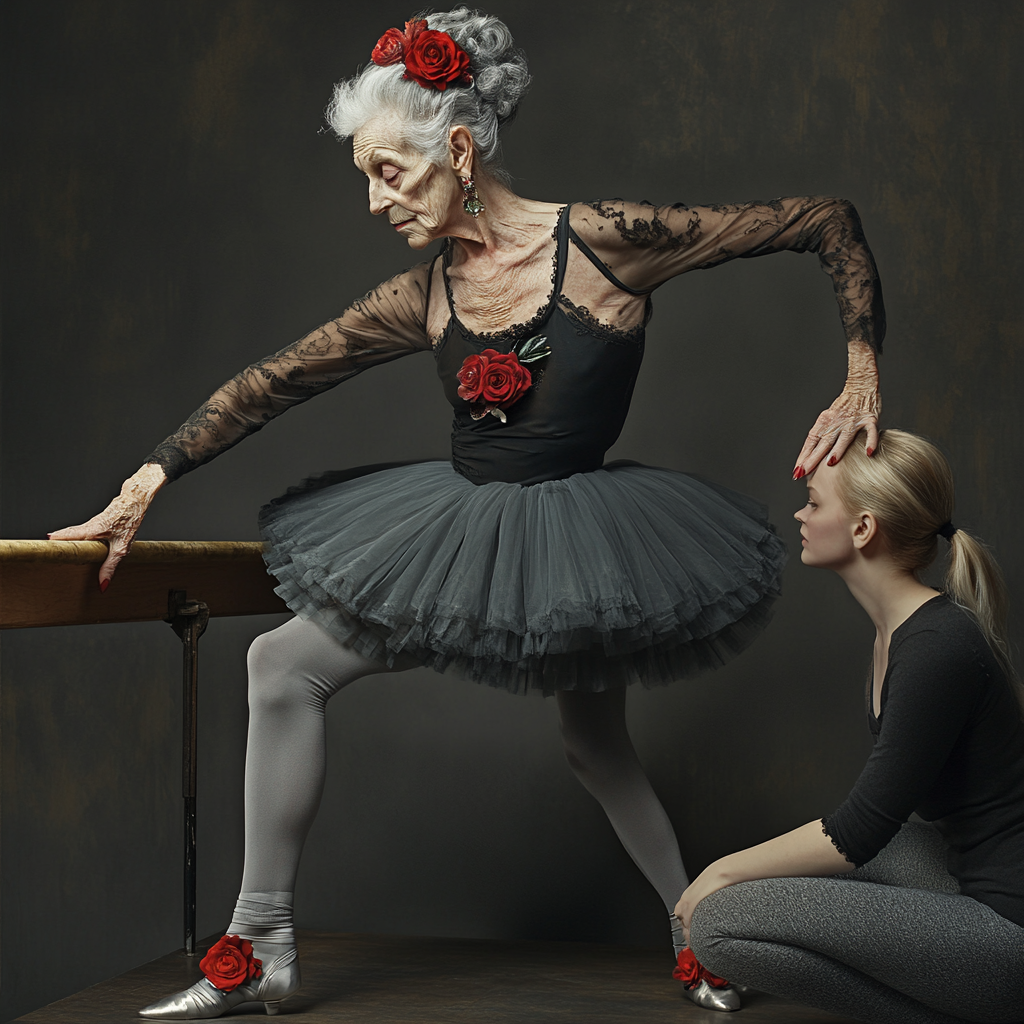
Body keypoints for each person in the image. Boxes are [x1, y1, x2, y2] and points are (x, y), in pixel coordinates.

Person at [48, 8, 885, 1018]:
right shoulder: (424, 294)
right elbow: (275, 380)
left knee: (594, 742)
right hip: (453, 536)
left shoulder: (607, 244)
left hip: (585, 539)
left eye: (388, 171)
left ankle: (697, 934)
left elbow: (822, 219)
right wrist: (149, 477)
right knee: (279, 663)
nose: (372, 200)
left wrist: (860, 375)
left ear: (455, 149)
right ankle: (260, 940)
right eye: (362, 176)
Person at [677, 429, 1024, 1024]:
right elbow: (874, 831)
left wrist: (719, 871)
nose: (799, 513)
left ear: (863, 529)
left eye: (814, 502)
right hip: (974, 872)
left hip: (1008, 929)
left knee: (715, 922)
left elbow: (857, 829)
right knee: (838, 859)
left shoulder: (937, 647)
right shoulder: (903, 628)